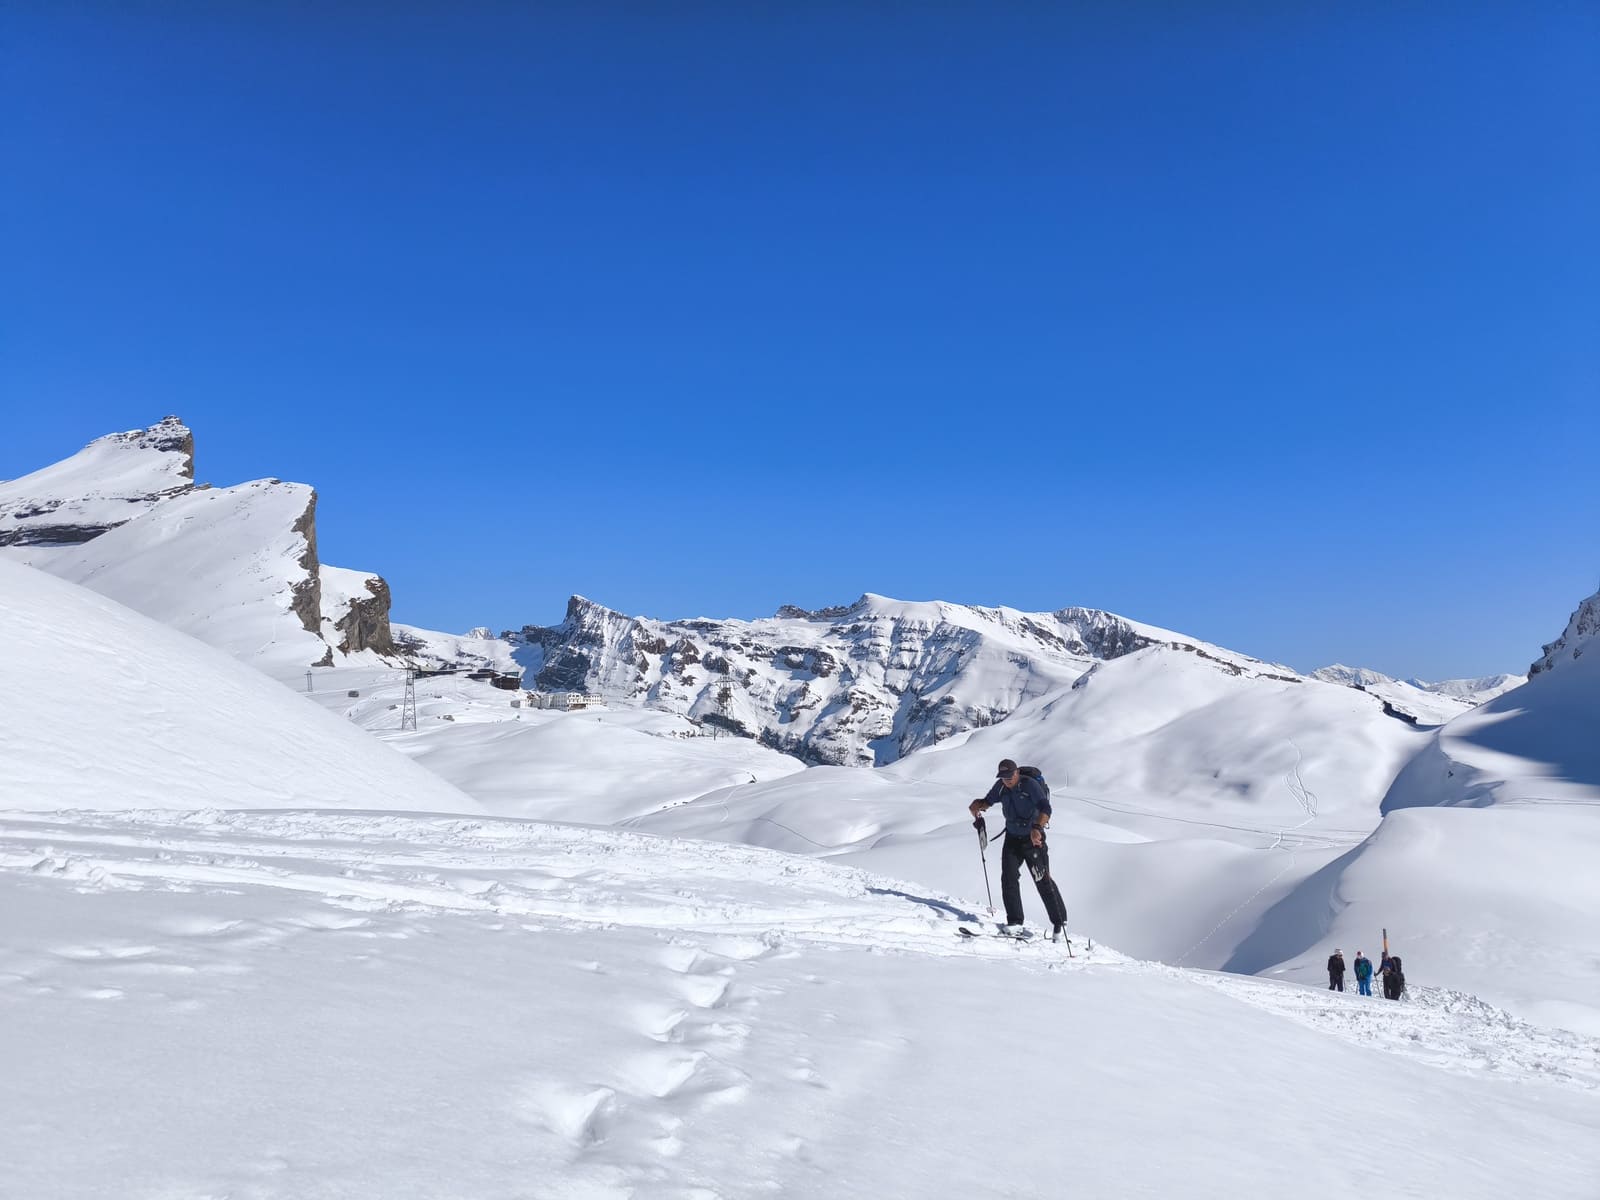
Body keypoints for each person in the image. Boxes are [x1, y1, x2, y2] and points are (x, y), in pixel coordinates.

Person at [968, 759, 1068, 939]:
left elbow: (1046, 808)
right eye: (1002, 777)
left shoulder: (1029, 785)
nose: (1006, 780)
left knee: (1042, 879)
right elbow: (988, 801)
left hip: (1032, 838)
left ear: (1016, 773)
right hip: (1012, 837)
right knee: (1008, 877)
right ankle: (1015, 923)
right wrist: (977, 806)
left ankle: (1059, 921)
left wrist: (1037, 828)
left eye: (1009, 776)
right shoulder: (1001, 787)